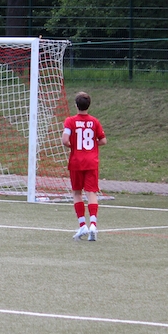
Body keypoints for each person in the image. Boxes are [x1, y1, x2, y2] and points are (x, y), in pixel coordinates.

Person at [63, 92, 107, 241]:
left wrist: (74, 145)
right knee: (91, 193)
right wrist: (93, 144)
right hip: (91, 162)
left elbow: (65, 140)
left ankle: (82, 225)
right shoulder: (95, 122)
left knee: (77, 193)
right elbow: (103, 140)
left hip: (76, 161)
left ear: (76, 105)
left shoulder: (70, 121)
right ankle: (93, 224)